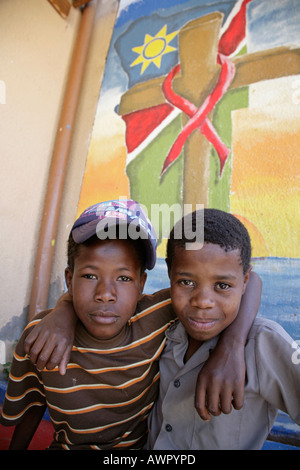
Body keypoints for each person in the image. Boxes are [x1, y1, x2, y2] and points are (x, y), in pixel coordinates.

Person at [0, 200, 261, 449]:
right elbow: (33, 403)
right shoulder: (42, 336)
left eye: (123, 278)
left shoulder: (157, 316)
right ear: (70, 279)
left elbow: (250, 282)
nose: (105, 293)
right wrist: (63, 310)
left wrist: (232, 347)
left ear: (141, 285)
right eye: (90, 275)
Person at [147, 208, 300, 450]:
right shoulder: (159, 325)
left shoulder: (263, 343)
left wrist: (232, 345)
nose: (203, 301)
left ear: (244, 282)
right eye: (186, 282)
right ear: (169, 274)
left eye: (222, 285)